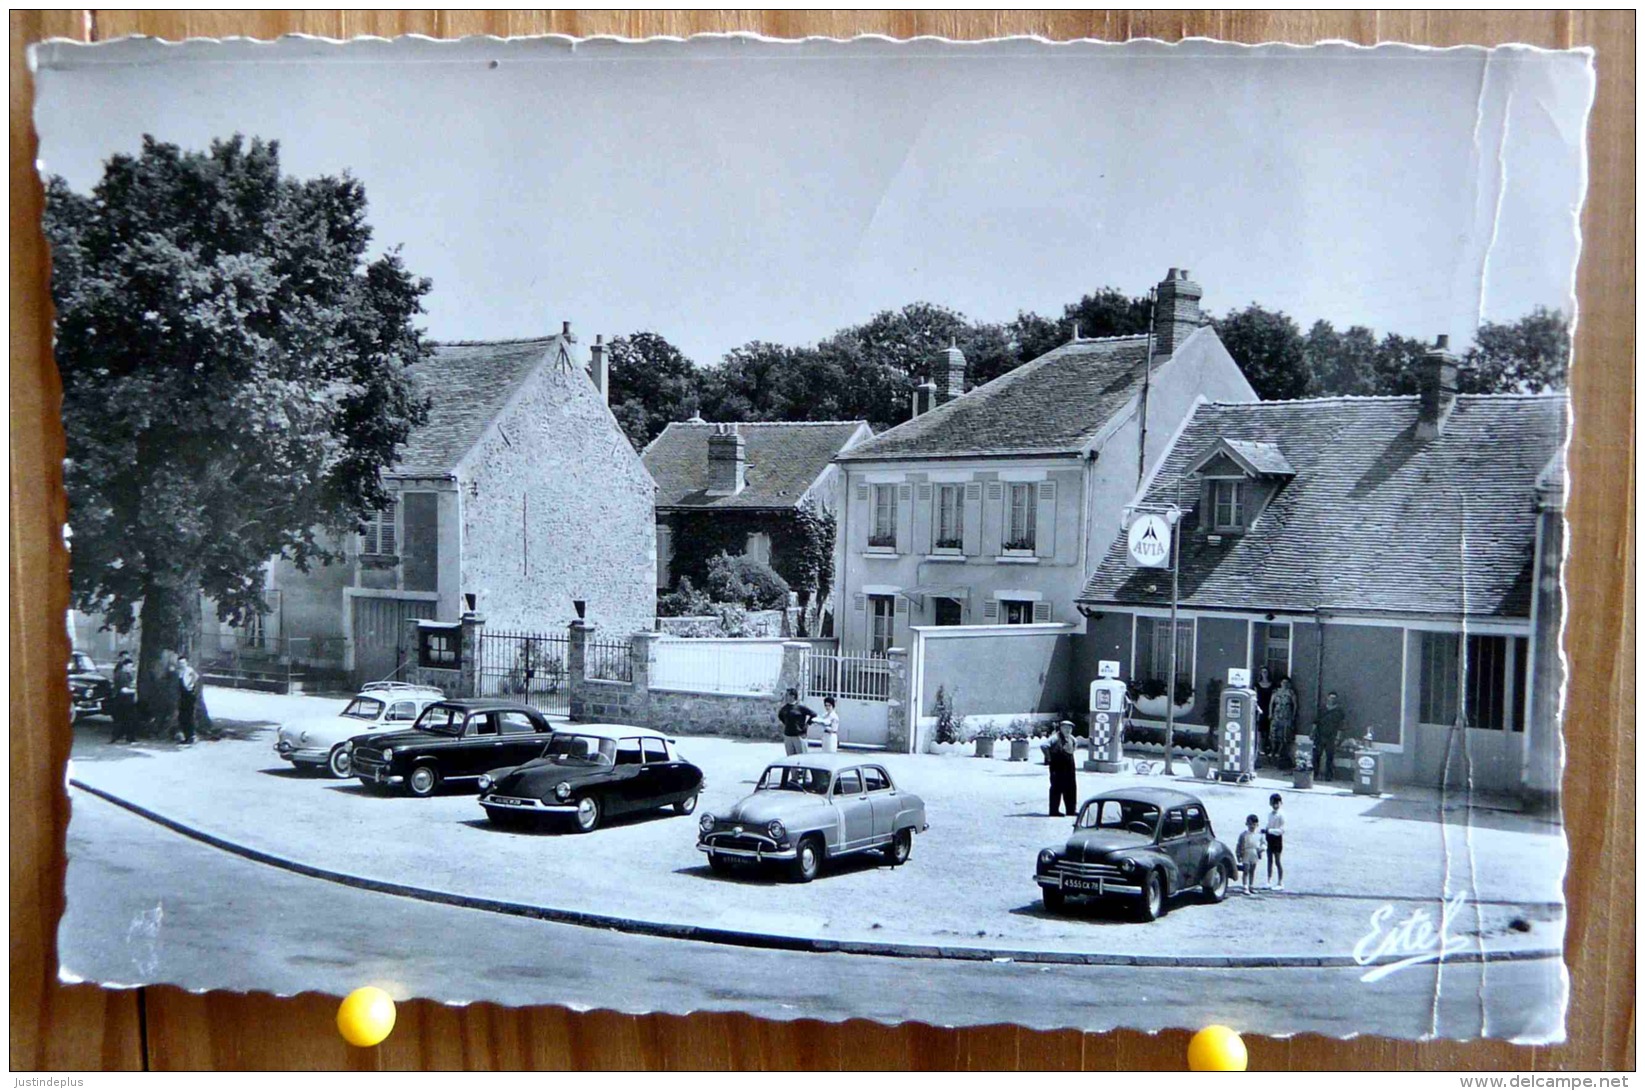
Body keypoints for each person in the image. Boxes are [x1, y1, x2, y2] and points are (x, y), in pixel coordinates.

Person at [1042, 720, 1079, 817]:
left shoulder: (1072, 739)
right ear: (1061, 728)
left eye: (1070, 728)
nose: (1068, 730)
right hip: (1057, 765)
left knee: (1071, 787)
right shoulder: (1054, 738)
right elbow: (1044, 746)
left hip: (1069, 765)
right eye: (1066, 728)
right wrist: (1049, 758)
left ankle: (1071, 810)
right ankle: (1054, 811)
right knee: (1056, 788)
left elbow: (1075, 746)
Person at [1314, 690, 1347, 780]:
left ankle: (1328, 776)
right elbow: (1315, 722)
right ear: (1327, 698)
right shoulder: (1322, 709)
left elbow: (1341, 726)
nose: (1332, 699)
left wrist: (1338, 737)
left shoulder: (1339, 711)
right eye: (1330, 697)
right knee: (1316, 755)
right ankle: (1315, 774)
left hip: (1331, 737)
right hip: (1320, 735)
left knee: (1330, 756)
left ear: (1336, 699)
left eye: (1334, 698)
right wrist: (1312, 732)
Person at [776, 688, 816, 756]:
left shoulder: (800, 707)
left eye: (787, 695)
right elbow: (780, 716)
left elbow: (814, 714)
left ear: (793, 696)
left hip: (799, 736)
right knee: (790, 758)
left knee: (801, 756)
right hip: (788, 736)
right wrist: (786, 723)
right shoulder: (785, 708)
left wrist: (806, 725)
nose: (786, 697)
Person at [109, 651, 138, 744]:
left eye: (132, 667)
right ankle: (127, 738)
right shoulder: (121, 675)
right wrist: (135, 691)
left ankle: (121, 737)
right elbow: (123, 690)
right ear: (124, 666)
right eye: (129, 667)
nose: (131, 668)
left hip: (127, 701)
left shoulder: (128, 674)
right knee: (125, 719)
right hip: (122, 700)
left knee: (125, 719)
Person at [1269, 677, 1299, 762]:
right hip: (1277, 714)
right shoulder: (1276, 692)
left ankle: (1280, 752)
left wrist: (1293, 715)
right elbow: (1271, 704)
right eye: (1283, 682)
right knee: (1273, 734)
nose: (1284, 684)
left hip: (1287, 715)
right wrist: (1270, 713)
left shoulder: (1291, 692)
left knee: (1284, 735)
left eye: (1286, 682)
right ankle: (1273, 750)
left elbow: (1295, 704)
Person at [174, 654, 200, 746]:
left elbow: (196, 676)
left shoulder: (189, 670)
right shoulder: (179, 671)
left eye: (183, 663)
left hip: (189, 695)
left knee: (188, 716)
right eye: (180, 663)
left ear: (186, 663)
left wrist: (190, 685)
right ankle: (186, 736)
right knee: (182, 716)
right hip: (182, 696)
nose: (182, 664)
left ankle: (190, 736)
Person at [1262, 793, 1286, 891]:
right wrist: (1265, 830)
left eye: (1277, 803)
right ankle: (1268, 881)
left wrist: (1270, 831)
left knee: (1277, 861)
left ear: (1280, 803)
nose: (1275, 805)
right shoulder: (1270, 814)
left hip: (1277, 839)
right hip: (1269, 838)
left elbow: (1282, 830)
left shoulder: (1282, 815)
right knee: (1269, 860)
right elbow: (1269, 825)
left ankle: (1280, 882)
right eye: (1273, 803)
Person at [1236, 814, 1264, 894]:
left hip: (1254, 853)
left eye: (1254, 824)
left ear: (1257, 825)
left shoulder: (1259, 835)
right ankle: (1245, 886)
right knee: (1246, 870)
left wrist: (1262, 849)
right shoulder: (1243, 835)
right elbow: (1239, 845)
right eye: (1250, 824)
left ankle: (1251, 885)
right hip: (1246, 853)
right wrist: (1238, 855)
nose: (1252, 826)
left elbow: (1263, 843)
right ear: (1246, 824)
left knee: (1252, 870)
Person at [1254, 666, 1275, 759]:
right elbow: (1255, 698)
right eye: (1262, 672)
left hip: (1269, 708)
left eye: (1266, 672)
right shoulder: (1257, 685)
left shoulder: (1272, 685)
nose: (1264, 673)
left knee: (1269, 730)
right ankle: (1260, 748)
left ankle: (1269, 749)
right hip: (1260, 708)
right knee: (1260, 729)